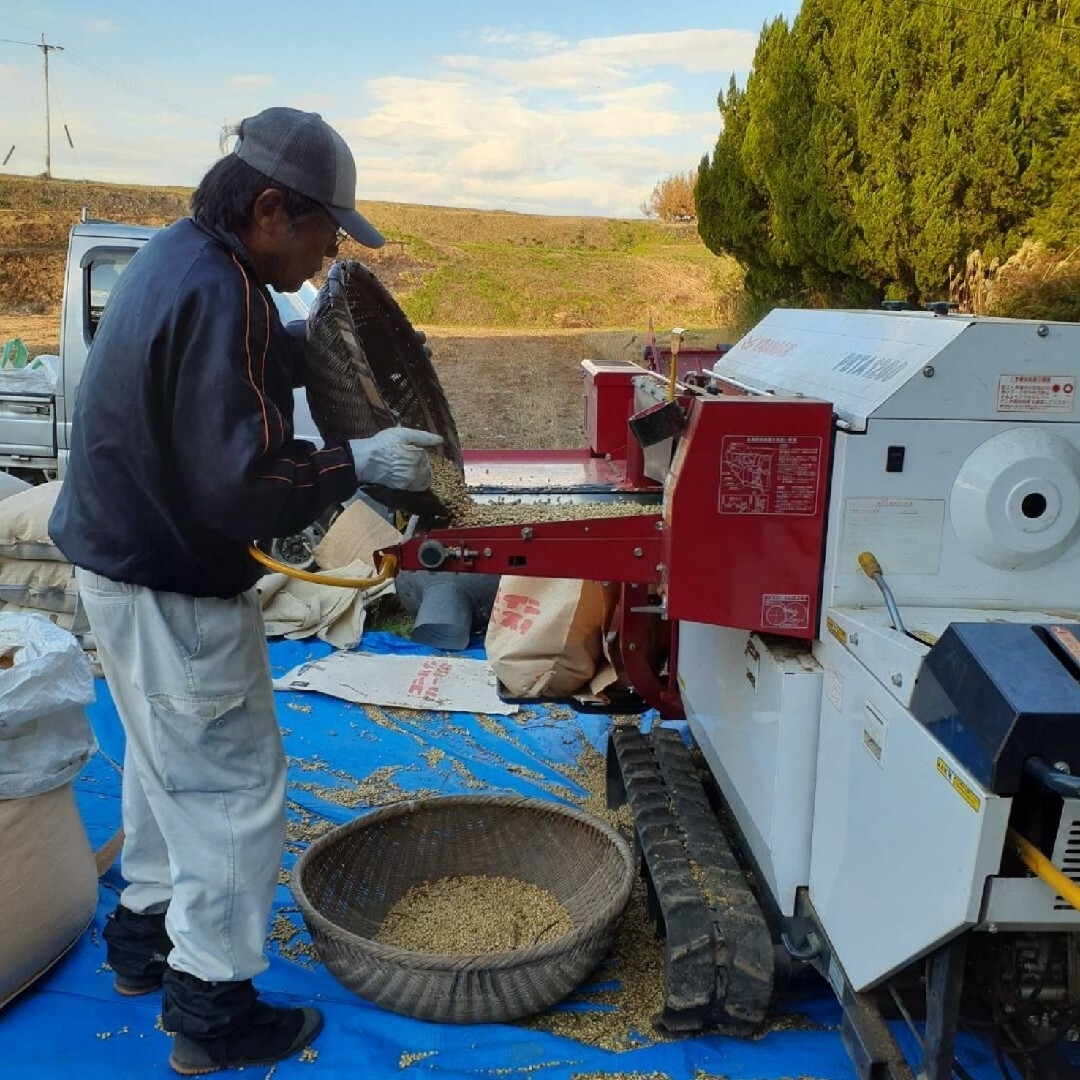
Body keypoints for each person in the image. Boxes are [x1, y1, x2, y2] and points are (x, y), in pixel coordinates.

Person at [48, 107, 443, 1076]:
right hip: (173, 579)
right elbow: (241, 491)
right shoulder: (227, 300)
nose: (327, 257)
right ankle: (213, 1010)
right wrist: (358, 460)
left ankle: (141, 944)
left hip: (117, 559)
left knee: (155, 763)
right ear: (271, 210)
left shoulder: (178, 256)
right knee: (232, 791)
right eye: (323, 233)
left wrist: (308, 349)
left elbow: (204, 409)